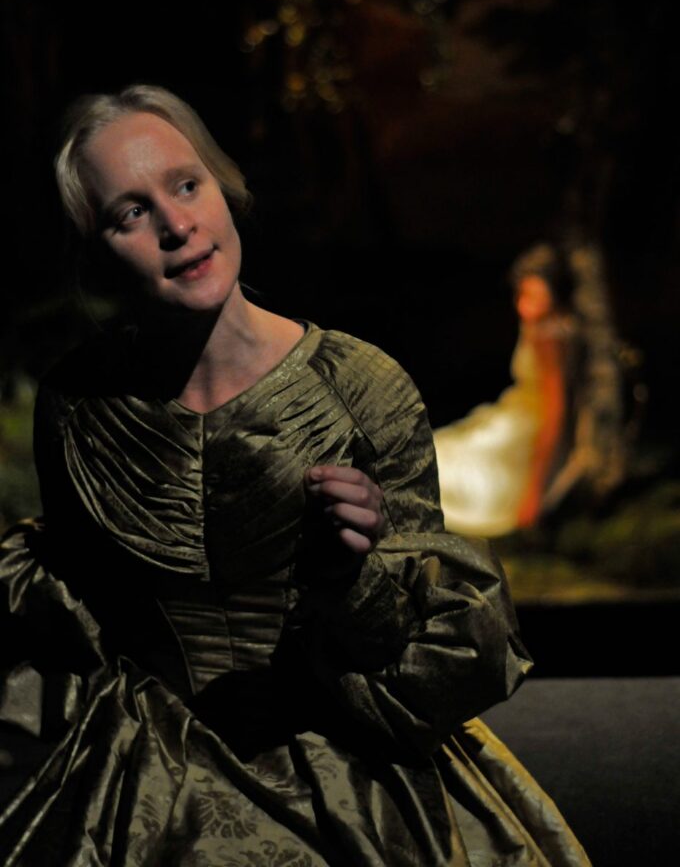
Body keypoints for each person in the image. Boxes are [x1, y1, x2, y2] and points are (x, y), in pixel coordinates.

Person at [0, 85, 590, 866]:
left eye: (186, 185)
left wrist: (353, 578)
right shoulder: (79, 407)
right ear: (94, 251)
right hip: (141, 784)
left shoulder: (361, 387)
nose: (178, 226)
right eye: (131, 212)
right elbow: (79, 627)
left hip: (344, 772)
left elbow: (430, 643)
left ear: (224, 189)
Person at [433, 243, 626, 537]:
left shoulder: (550, 335)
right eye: (521, 295)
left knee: (447, 464)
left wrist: (535, 491)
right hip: (515, 414)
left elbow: (555, 408)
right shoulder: (546, 327)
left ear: (554, 294)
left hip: (530, 428)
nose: (524, 306)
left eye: (534, 296)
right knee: (444, 449)